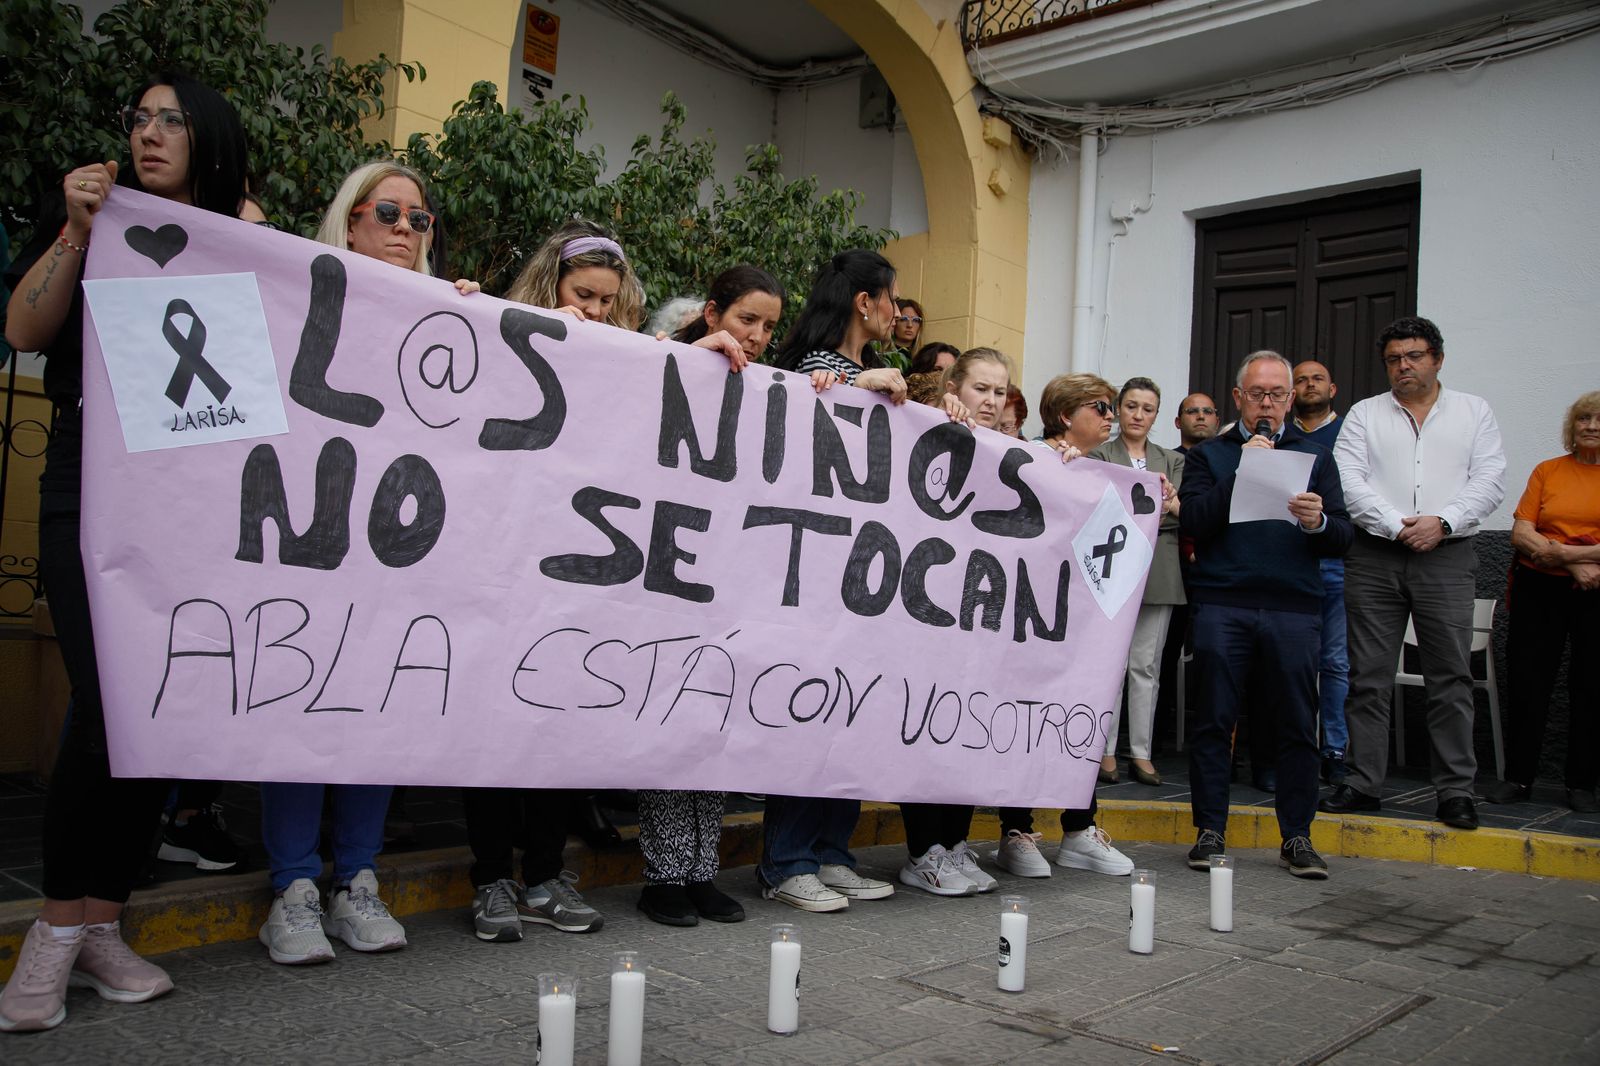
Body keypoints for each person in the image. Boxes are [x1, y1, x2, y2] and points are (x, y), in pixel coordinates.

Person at [1, 71, 249, 1032]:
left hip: (190, 502)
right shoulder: (94, 219)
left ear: (208, 138)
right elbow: (24, 328)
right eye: (139, 119)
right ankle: (54, 931)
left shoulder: (240, 237)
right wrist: (73, 229)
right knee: (109, 705)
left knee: (161, 713)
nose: (150, 133)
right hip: (87, 480)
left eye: (172, 120)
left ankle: (101, 925)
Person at [256, 161, 480, 967]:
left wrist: (467, 324)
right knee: (298, 702)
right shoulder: (297, 293)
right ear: (349, 220)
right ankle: (292, 888)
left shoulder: (444, 313)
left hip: (395, 547)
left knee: (373, 709)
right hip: (310, 539)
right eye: (386, 211)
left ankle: (356, 878)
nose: (402, 228)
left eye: (419, 220)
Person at [632, 264, 786, 927]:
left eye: (768, 327)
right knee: (671, 719)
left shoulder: (763, 387)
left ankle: (701, 870)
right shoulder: (665, 357)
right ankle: (663, 874)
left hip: (729, 577)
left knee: (715, 720)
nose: (756, 336)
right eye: (747, 319)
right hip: (667, 571)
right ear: (715, 312)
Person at [760, 250, 911, 912]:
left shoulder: (873, 376)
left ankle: (828, 850)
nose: (898, 310)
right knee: (811, 709)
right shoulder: (817, 373)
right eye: (892, 297)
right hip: (815, 571)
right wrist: (859, 389)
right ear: (863, 302)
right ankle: (788, 860)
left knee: (851, 708)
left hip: (863, 572)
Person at [1323, 316, 1506, 831]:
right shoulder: (1364, 414)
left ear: (1437, 359)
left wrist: (1442, 522)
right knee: (1367, 677)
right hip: (1375, 554)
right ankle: (1362, 783)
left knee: (1450, 676)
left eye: (1414, 356)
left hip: (1447, 555)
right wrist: (1396, 524)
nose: (1404, 366)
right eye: (1394, 359)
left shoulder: (1474, 412)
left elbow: (1490, 479)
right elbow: (1348, 478)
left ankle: (1455, 791)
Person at [1180, 351, 1352, 879]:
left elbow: (1343, 537)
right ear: (1238, 399)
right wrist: (1244, 472)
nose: (1268, 404)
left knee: (1297, 724)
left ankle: (1297, 836)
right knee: (1213, 720)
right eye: (1257, 394)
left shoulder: (1314, 456)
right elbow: (1195, 522)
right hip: (1222, 603)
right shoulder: (1210, 454)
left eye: (1278, 395)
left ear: (1290, 398)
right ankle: (1210, 831)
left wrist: (1318, 521)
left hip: (1293, 607)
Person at [991, 373, 1136, 880]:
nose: (1111, 415)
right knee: (1024, 718)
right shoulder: (1028, 457)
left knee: (1079, 714)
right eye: (1101, 406)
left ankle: (1079, 830)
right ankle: (1017, 831)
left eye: (1112, 406)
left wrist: (1150, 495)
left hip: (1079, 621)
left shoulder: (1102, 469)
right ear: (1066, 414)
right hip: (1027, 615)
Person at [896, 348, 1016, 897]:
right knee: (927, 726)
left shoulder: (1009, 450)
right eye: (980, 389)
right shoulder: (929, 427)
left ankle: (953, 843)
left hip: (980, 617)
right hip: (926, 609)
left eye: (999, 392)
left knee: (968, 728)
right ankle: (923, 851)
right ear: (955, 387)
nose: (989, 401)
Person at [1482, 392, 1600, 812]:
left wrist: (1567, 556)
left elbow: (1546, 543)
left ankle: (1582, 784)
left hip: (1596, 591)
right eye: (1584, 418)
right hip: (1539, 588)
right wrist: (1573, 565)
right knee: (1529, 682)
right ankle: (1518, 779)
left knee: (1591, 685)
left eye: (1599, 419)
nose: (1591, 425)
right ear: (1573, 426)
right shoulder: (1548, 470)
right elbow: (1520, 533)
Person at [1090, 377, 1184, 788]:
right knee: (1110, 661)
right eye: (1131, 406)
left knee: (1147, 664)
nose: (1138, 415)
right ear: (1118, 408)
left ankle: (1141, 753)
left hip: (1158, 568)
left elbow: (1179, 509)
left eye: (1147, 408)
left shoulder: (1172, 459)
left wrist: (1169, 508)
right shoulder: (1100, 453)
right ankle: (1104, 750)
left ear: (1156, 415)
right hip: (1112, 565)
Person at [1292, 360, 1351, 784]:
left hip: (1333, 562)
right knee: (1286, 662)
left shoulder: (1350, 435)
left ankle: (1334, 749)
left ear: (1332, 388)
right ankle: (1287, 748)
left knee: (1333, 662)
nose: (1309, 385)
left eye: (1317, 379)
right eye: (1300, 380)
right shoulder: (1279, 439)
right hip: (1289, 564)